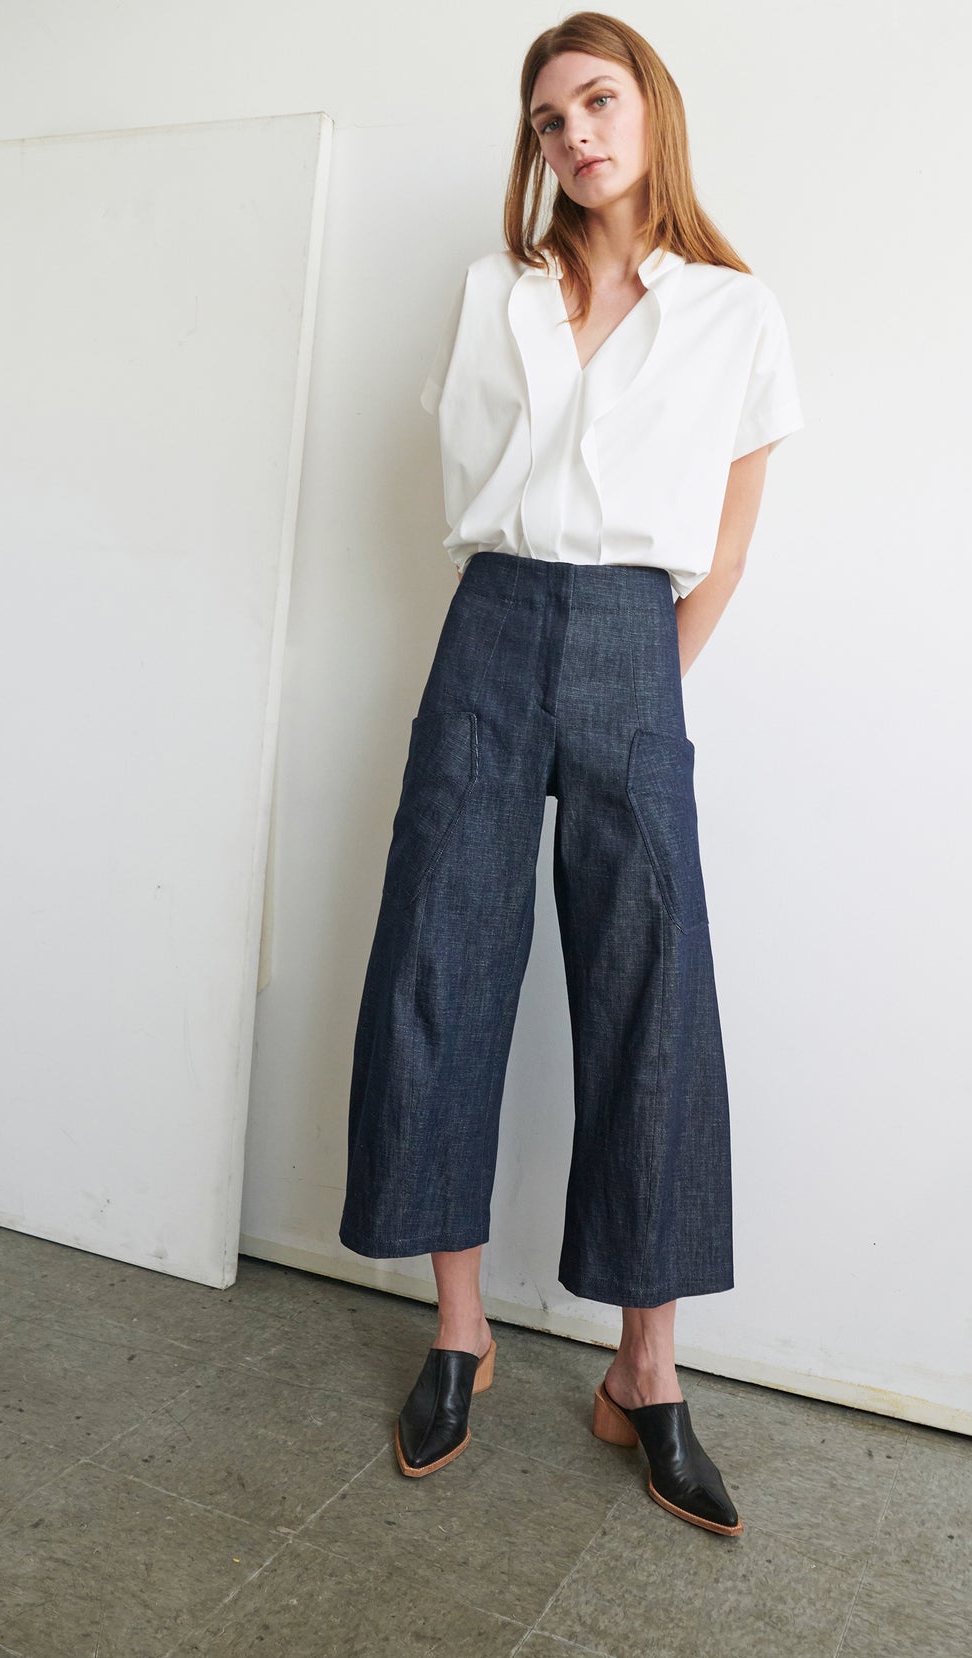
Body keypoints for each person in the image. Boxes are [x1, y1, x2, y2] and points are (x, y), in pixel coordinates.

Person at [338, 10, 803, 1538]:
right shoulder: (497, 292)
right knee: (438, 963)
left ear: (649, 109)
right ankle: (457, 1330)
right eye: (548, 120)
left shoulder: (736, 311)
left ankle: (646, 1374)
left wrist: (640, 685)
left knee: (650, 984)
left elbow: (724, 551)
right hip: (492, 621)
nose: (577, 135)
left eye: (598, 101)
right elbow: (471, 481)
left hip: (629, 635)